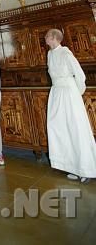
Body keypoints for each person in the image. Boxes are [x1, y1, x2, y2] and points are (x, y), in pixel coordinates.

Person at [45, 28, 96, 182]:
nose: (45, 38)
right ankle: (73, 166)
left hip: (68, 92)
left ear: (54, 38)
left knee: (75, 128)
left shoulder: (66, 53)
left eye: (47, 36)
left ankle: (86, 169)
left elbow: (80, 75)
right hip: (56, 92)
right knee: (59, 128)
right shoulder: (49, 54)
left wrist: (75, 93)